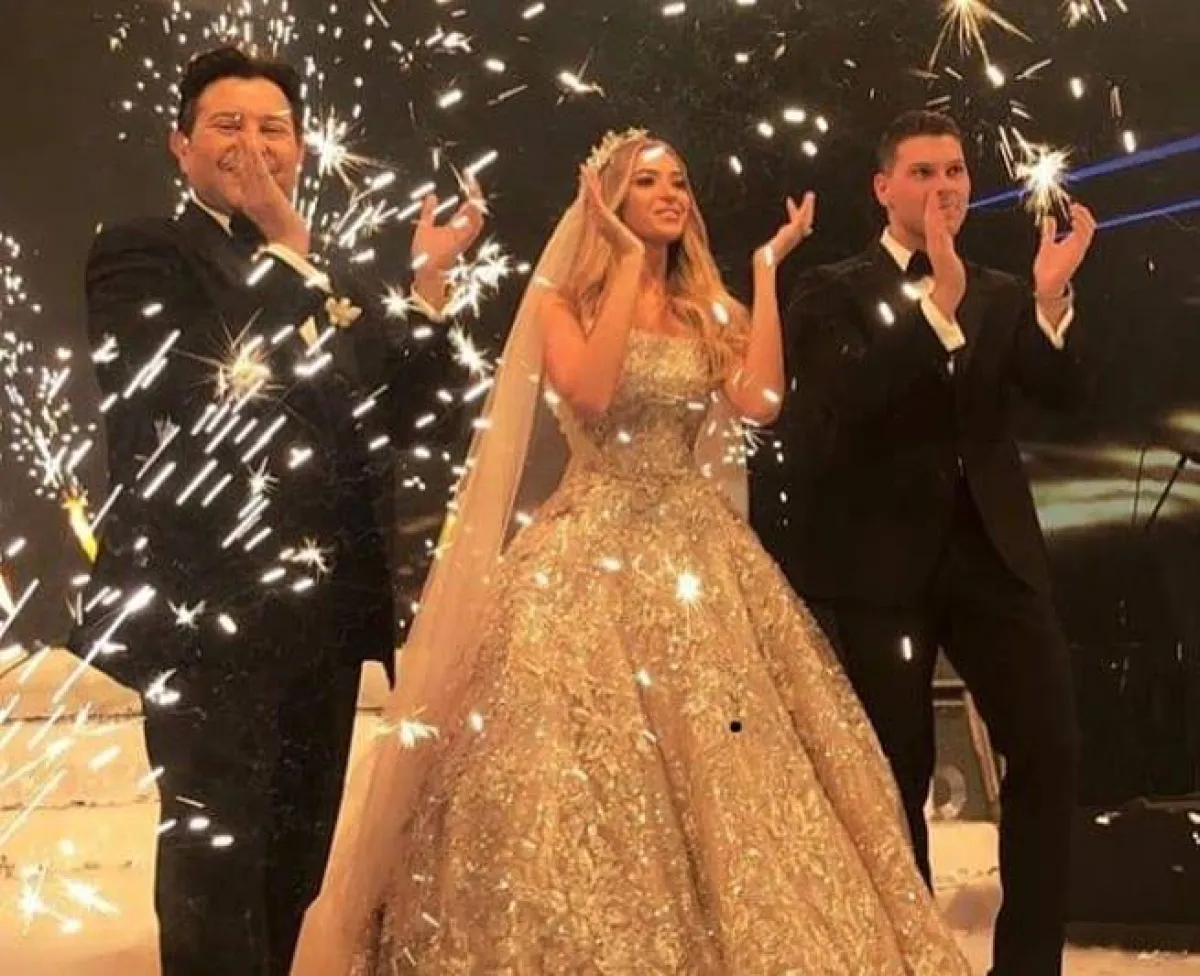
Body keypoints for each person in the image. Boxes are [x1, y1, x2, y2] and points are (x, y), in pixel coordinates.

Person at [290, 129, 972, 974]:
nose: (671, 194)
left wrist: (763, 272)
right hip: (590, 542)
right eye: (648, 182)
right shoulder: (561, 302)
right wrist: (619, 267)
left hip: (697, 550)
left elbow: (760, 400)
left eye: (679, 180)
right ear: (609, 201)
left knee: (726, 754)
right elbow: (590, 391)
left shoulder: (705, 307)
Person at [70, 46, 484, 976]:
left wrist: (426, 290)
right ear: (180, 144)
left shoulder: (328, 279)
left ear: (301, 147)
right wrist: (287, 246)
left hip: (324, 620)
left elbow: (418, 418)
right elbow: (198, 396)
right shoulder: (140, 253)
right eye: (227, 124)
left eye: (274, 128)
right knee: (215, 864)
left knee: (294, 868)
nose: (253, 144)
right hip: (209, 614)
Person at [755, 109, 1097, 976]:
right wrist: (937, 304)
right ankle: (908, 962)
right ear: (883, 188)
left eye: (954, 172)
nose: (943, 188)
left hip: (995, 556)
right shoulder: (827, 290)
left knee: (1050, 749)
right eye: (922, 173)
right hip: (879, 567)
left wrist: (1050, 298)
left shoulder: (998, 288)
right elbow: (848, 398)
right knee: (892, 774)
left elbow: (1063, 393)